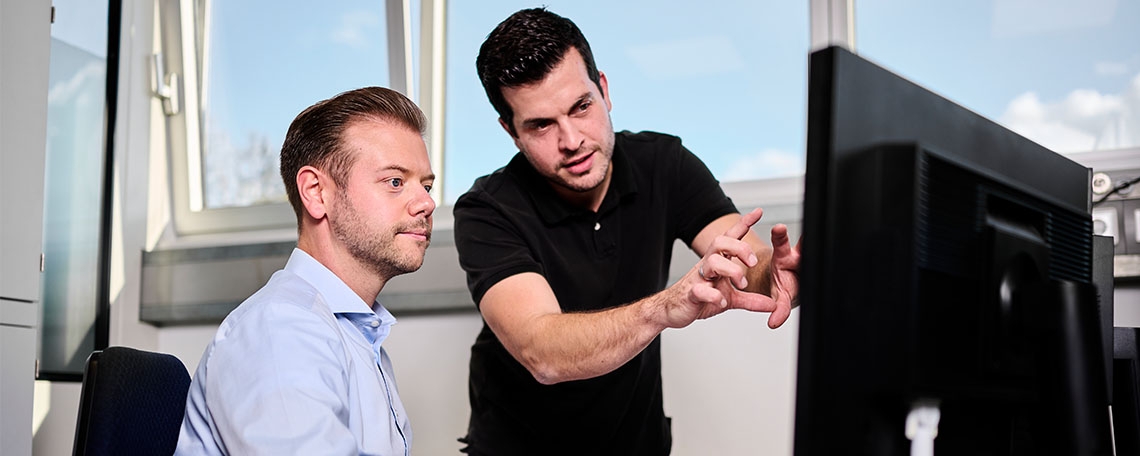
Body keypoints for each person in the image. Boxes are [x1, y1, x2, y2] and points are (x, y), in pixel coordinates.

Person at [452, 7, 801, 456]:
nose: (572, 140)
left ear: (604, 90)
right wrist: (663, 308)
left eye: (581, 107)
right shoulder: (487, 209)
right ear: (511, 131)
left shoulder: (664, 164)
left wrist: (777, 274)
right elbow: (542, 352)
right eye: (541, 125)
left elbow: (747, 262)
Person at [175, 86, 435, 456]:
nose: (427, 202)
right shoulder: (279, 329)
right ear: (315, 192)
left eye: (426, 185)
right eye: (395, 182)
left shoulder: (355, 335)